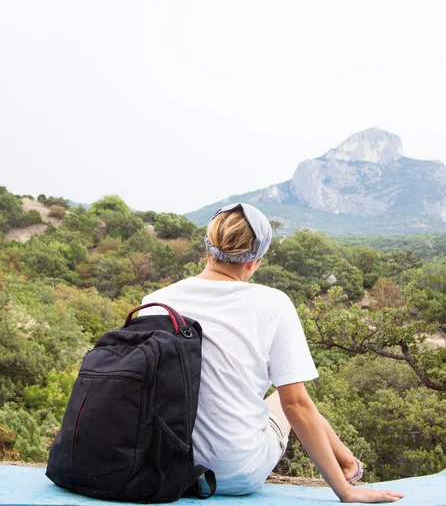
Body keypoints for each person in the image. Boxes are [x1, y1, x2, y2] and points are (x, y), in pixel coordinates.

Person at [140, 203, 405, 503]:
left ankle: (347, 462)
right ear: (255, 261)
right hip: (233, 472)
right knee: (286, 396)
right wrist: (344, 493)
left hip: (167, 466)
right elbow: (297, 407)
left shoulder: (155, 301)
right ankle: (348, 467)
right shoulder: (273, 304)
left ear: (208, 249)